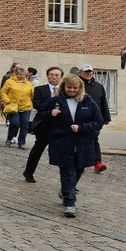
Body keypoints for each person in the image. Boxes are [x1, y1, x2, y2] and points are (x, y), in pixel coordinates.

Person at [36, 74, 103, 217]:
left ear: (80, 88)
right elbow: (40, 114)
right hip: (62, 142)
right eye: (69, 87)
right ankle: (70, 203)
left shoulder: (88, 102)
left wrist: (81, 127)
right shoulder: (56, 101)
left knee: (79, 169)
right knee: (68, 171)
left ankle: (67, 190)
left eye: (75, 88)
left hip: (83, 143)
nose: (72, 90)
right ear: (63, 87)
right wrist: (50, 113)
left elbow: (98, 121)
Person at [23, 66, 63, 182]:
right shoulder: (40, 89)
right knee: (38, 149)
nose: (54, 77)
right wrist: (50, 110)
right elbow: (36, 104)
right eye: (51, 75)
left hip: (59, 126)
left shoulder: (64, 91)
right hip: (44, 124)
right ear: (47, 76)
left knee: (62, 153)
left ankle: (67, 180)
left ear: (61, 77)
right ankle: (29, 172)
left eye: (57, 75)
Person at [78, 64, 111, 173]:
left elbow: (103, 102)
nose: (88, 74)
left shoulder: (99, 86)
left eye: (90, 71)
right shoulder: (77, 85)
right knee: (82, 141)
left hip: (96, 119)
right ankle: (80, 161)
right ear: (80, 73)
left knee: (94, 139)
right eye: (86, 72)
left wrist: (106, 117)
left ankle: (98, 163)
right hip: (81, 118)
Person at [1, 66, 34, 149]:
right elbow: (3, 92)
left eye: (24, 74)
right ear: (16, 74)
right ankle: (10, 138)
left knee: (25, 125)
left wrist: (30, 102)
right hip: (13, 106)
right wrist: (7, 100)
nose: (22, 76)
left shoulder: (29, 84)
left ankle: (21, 142)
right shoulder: (9, 82)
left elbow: (32, 95)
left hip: (26, 107)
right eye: (20, 74)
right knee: (15, 123)